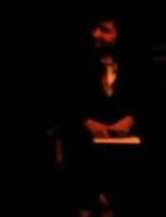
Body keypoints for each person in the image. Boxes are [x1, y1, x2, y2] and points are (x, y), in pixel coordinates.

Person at [57, 11, 149, 216]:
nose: (95, 34)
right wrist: (88, 123)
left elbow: (148, 102)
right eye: (95, 29)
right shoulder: (78, 65)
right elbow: (66, 105)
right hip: (87, 148)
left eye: (104, 30)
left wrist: (130, 120)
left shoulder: (137, 67)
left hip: (126, 149)